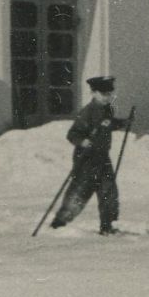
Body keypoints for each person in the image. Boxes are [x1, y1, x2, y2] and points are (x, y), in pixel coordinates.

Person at [51, 76, 129, 235]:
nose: (107, 97)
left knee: (109, 192)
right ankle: (59, 223)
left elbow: (107, 124)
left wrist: (123, 123)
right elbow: (72, 134)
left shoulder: (108, 110)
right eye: (103, 93)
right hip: (86, 159)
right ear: (93, 93)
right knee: (80, 192)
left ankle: (107, 226)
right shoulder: (87, 111)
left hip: (102, 157)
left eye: (109, 93)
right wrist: (83, 141)